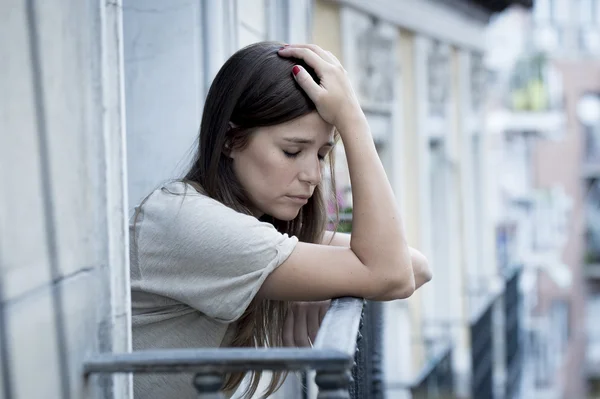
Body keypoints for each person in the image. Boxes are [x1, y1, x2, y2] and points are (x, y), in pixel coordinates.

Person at [130, 41, 432, 399]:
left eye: (321, 154)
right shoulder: (187, 221)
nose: (313, 176)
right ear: (230, 139)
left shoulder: (247, 224)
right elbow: (390, 275)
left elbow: (414, 266)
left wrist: (323, 280)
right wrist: (353, 121)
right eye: (292, 151)